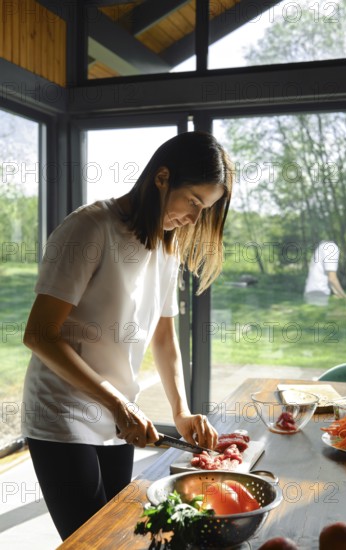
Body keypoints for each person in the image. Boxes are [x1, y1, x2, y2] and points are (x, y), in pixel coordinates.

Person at [21, 131, 233, 540]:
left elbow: (165, 338)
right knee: (91, 540)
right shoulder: (89, 227)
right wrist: (119, 404)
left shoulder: (167, 247)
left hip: (117, 414)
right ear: (162, 177)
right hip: (62, 411)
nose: (193, 218)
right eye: (193, 201)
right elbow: (39, 334)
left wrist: (181, 412)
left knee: (123, 536)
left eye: (203, 209)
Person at [304, 240, 346, 305]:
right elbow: (332, 278)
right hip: (319, 293)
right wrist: (345, 296)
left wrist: (337, 293)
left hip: (311, 291)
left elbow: (327, 276)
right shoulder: (332, 248)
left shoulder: (322, 247)